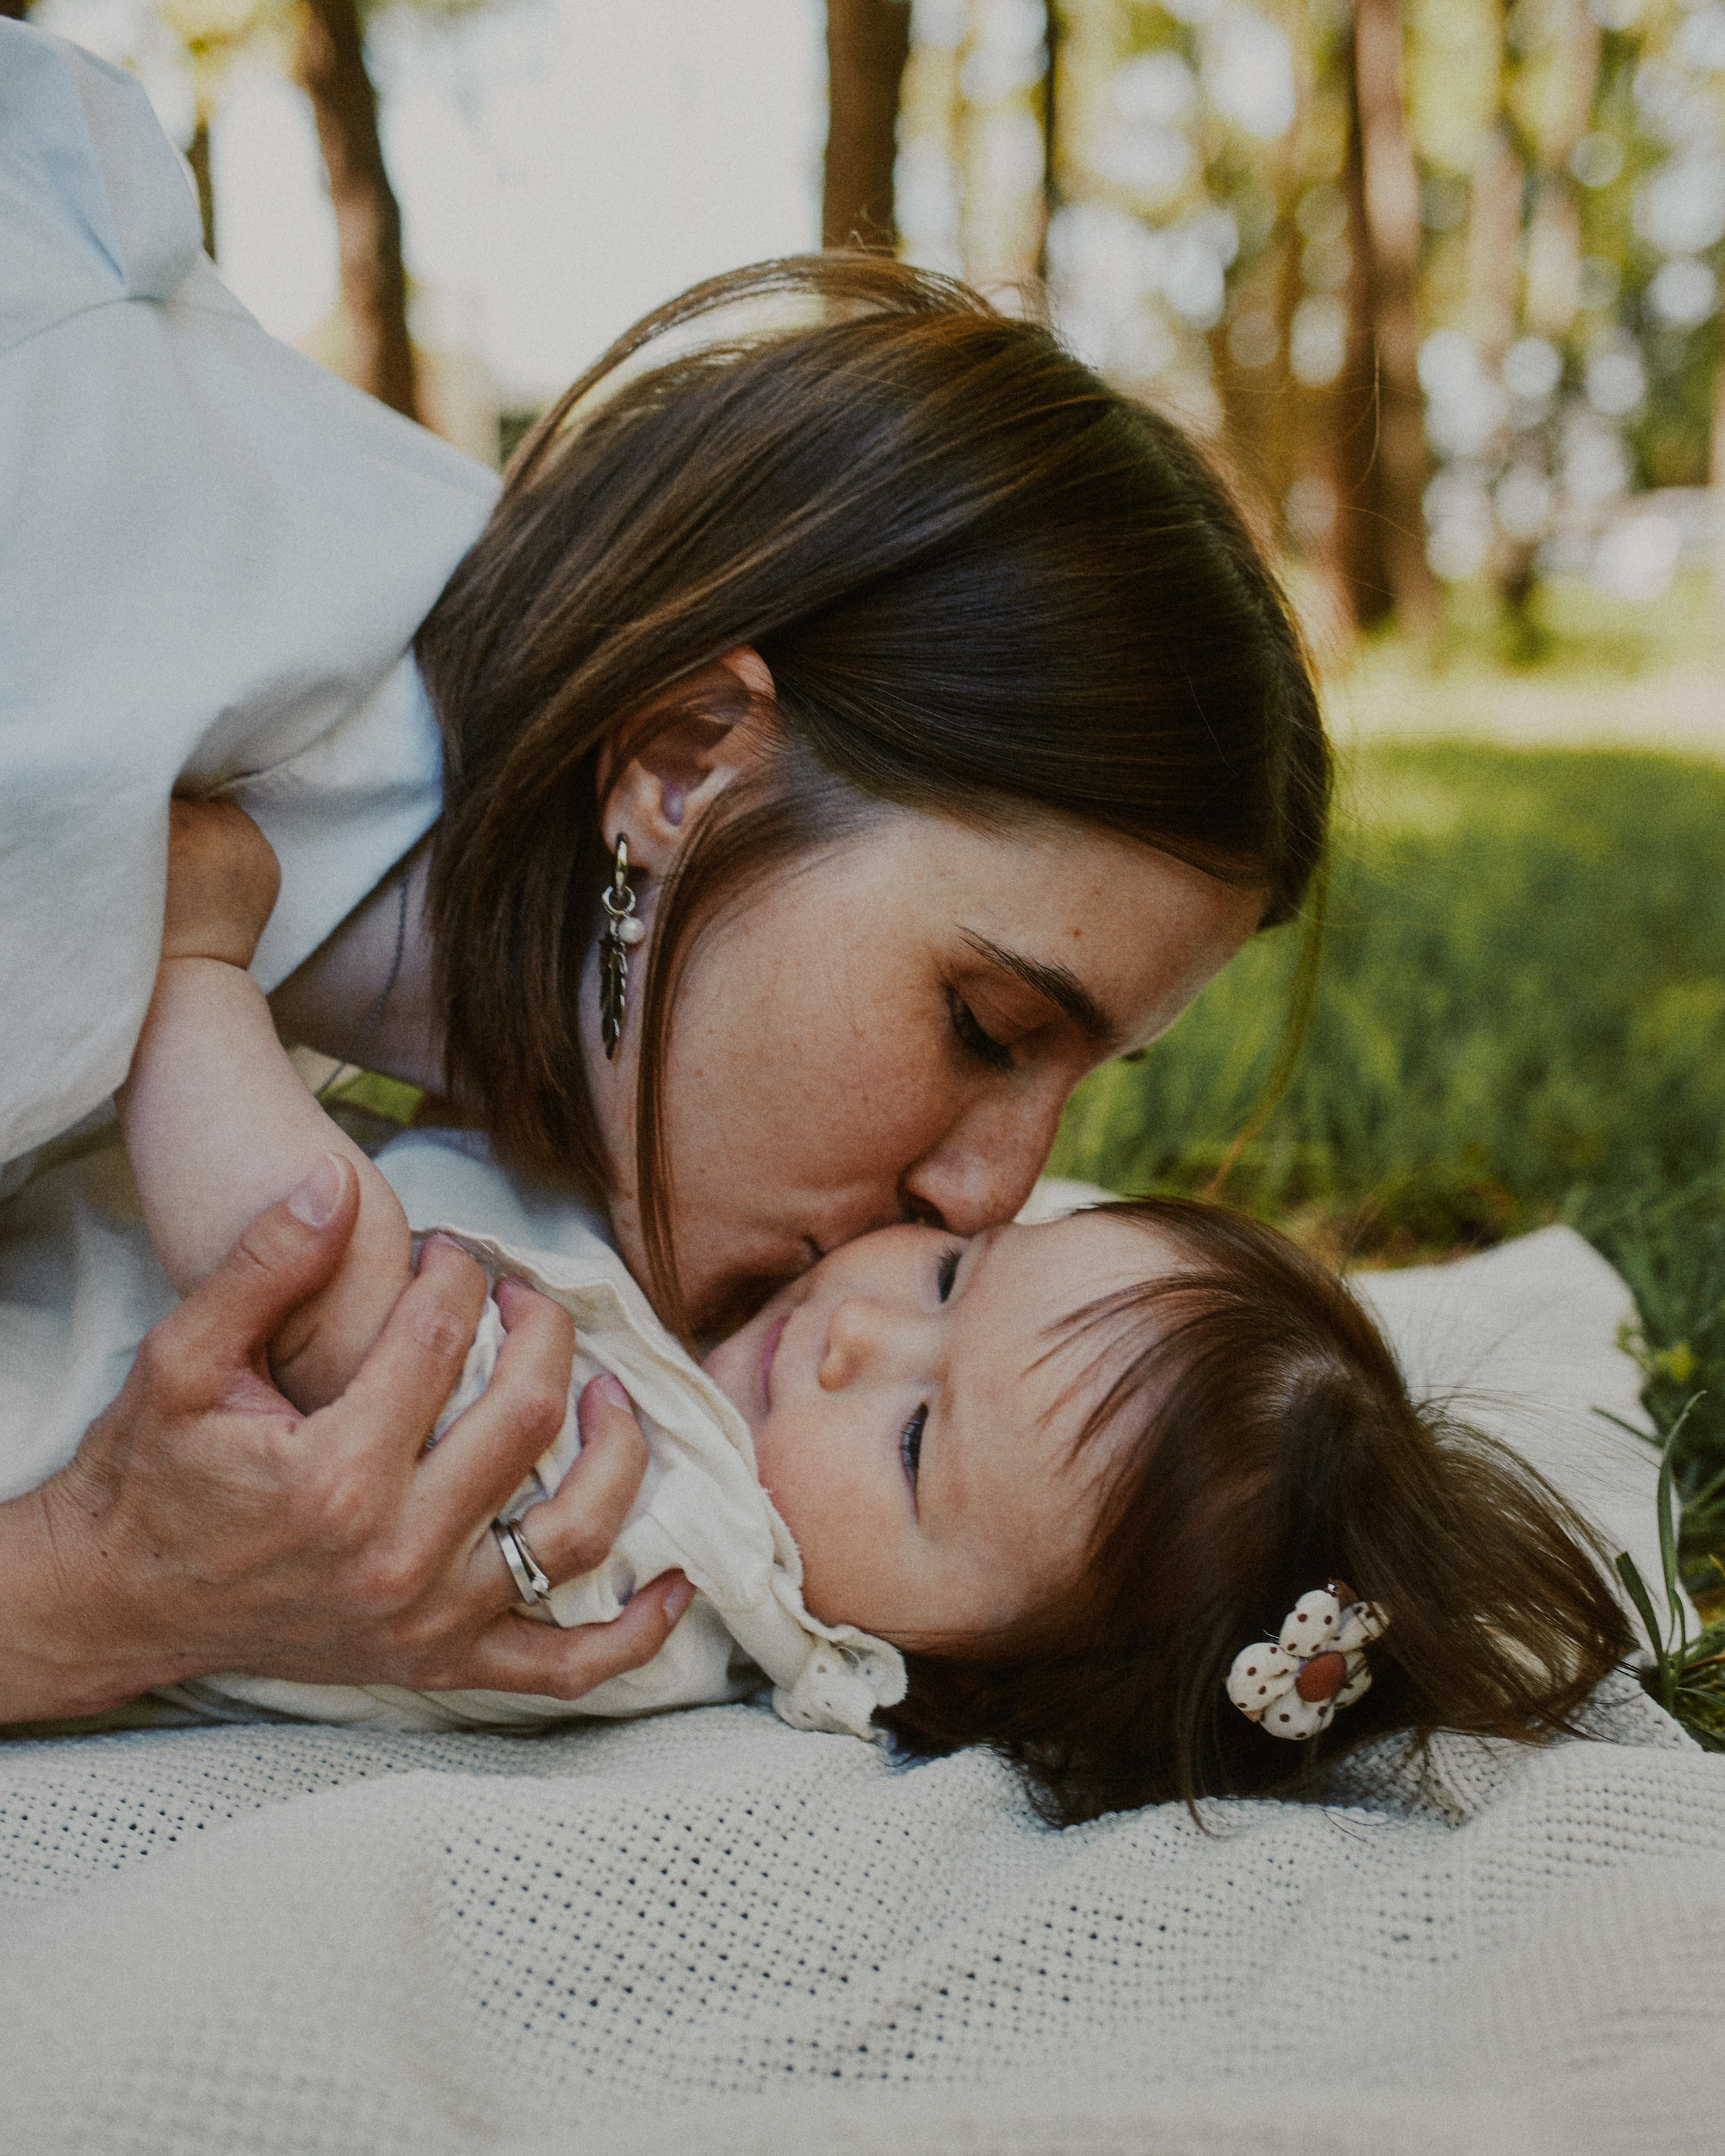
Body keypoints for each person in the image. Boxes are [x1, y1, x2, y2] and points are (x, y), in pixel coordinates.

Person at [0, 23, 1324, 1726]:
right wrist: (88, 1589)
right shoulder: (72, 735)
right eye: (983, 1025)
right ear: (684, 760)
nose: (993, 1192)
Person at [102, 800, 1627, 1827]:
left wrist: (191, 968)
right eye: (958, 1280)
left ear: (934, 1675)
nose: (853, 1331)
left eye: (910, 1443)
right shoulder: (723, 1388)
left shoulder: (650, 1555)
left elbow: (321, 1305)